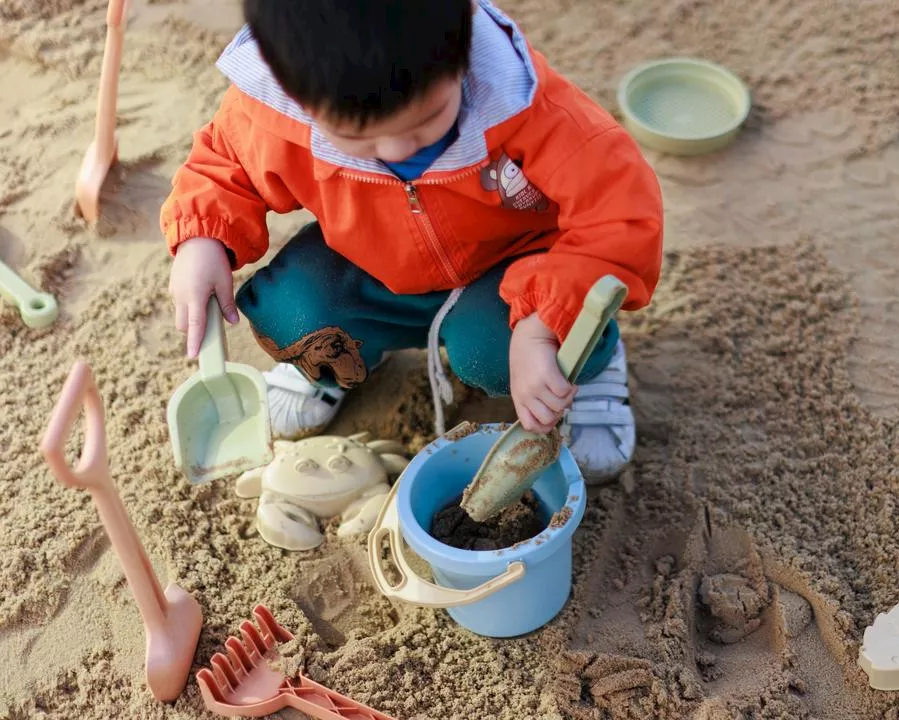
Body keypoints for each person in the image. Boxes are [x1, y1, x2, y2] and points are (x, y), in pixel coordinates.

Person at [160, 0, 663, 482]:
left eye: (427, 120)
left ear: (463, 41)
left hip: (515, 276)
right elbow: (225, 166)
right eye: (359, 139)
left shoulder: (524, 104)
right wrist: (201, 239)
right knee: (292, 315)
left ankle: (590, 366)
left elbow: (620, 217)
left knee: (494, 352)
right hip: (381, 267)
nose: (398, 149)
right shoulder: (276, 106)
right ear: (291, 90)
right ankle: (336, 371)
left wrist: (546, 321)